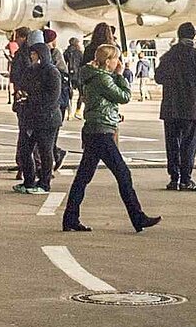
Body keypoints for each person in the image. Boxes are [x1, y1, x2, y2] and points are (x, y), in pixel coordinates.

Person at [61, 45, 161, 234]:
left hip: (93, 129)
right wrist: (121, 75)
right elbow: (124, 96)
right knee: (123, 174)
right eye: (115, 59)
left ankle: (70, 217)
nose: (118, 63)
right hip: (102, 131)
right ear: (108, 62)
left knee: (83, 176)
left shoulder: (90, 75)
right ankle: (137, 216)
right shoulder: (103, 78)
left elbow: (102, 102)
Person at [155, 23, 196, 192]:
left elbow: (159, 77)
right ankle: (186, 179)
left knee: (172, 143)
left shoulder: (169, 55)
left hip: (171, 106)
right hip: (191, 106)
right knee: (188, 143)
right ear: (193, 36)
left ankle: (174, 178)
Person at [11, 28, 64, 195]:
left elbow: (52, 97)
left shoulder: (51, 71)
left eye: (34, 54)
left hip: (47, 118)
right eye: (31, 54)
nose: (32, 57)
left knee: (45, 151)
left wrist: (30, 98)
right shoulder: (31, 70)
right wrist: (20, 95)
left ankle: (44, 183)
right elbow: (23, 86)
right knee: (26, 150)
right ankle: (28, 181)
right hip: (30, 117)